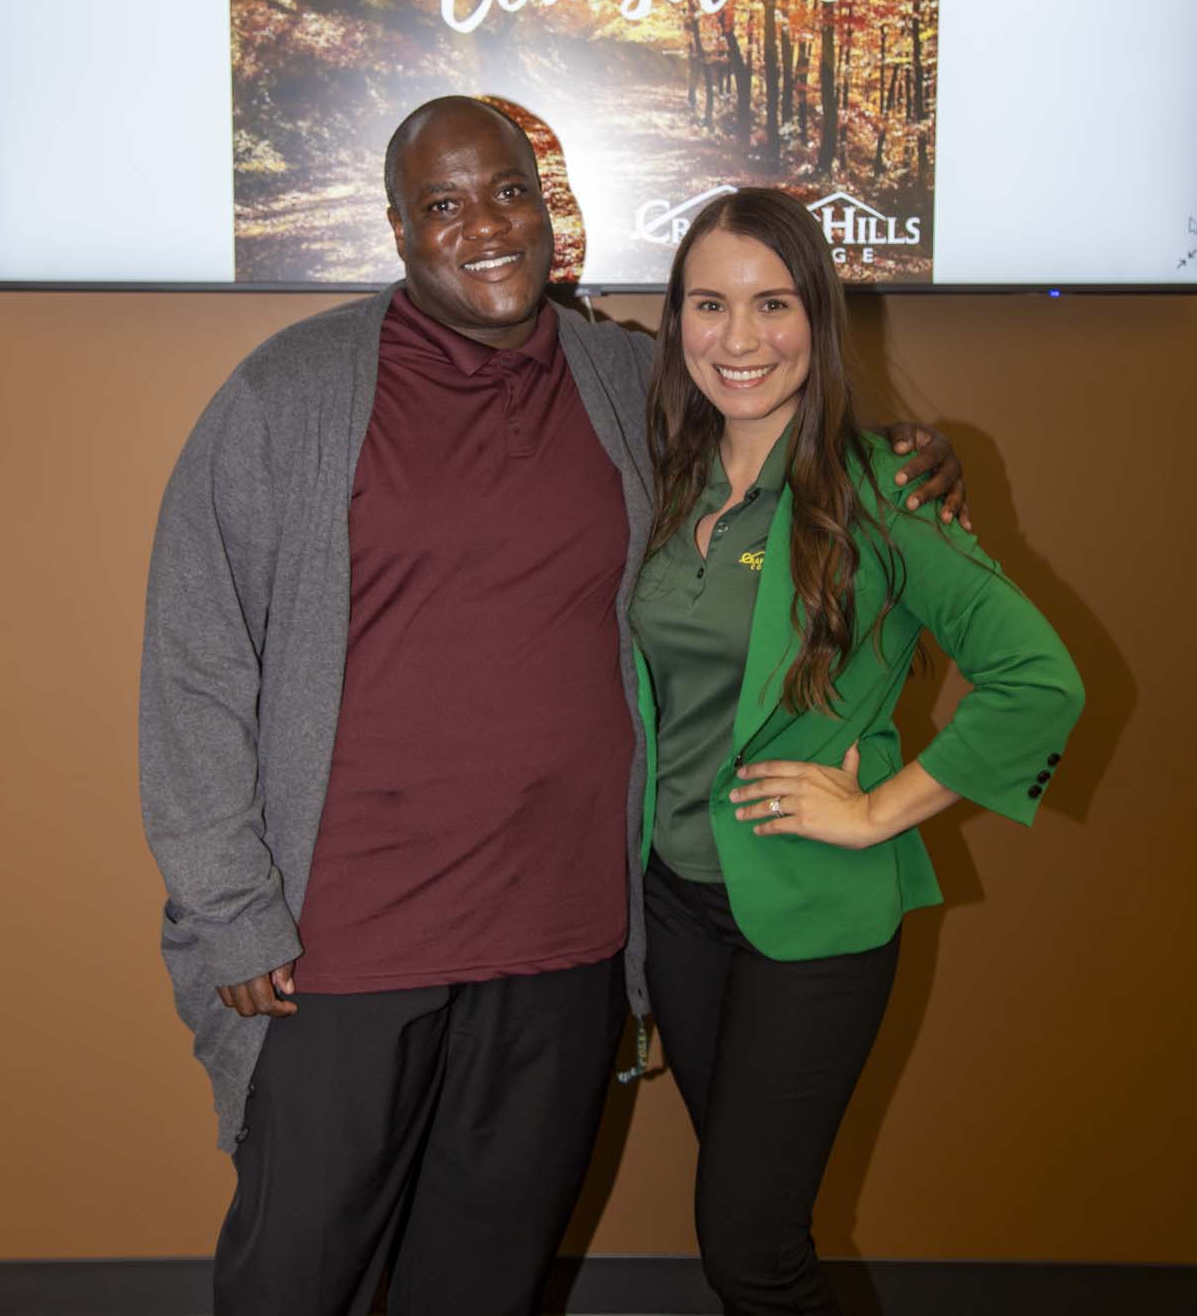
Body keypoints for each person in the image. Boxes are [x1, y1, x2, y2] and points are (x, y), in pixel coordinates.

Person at [139, 99, 966, 1316]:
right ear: (398, 229)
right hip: (341, 945)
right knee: (293, 1281)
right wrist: (227, 905)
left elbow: (777, 426)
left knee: (486, 1281)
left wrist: (908, 453)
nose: (485, 227)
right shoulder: (289, 396)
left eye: (509, 193)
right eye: (443, 204)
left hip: (563, 943)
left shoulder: (629, 381)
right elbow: (196, 659)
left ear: (547, 204)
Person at [631, 187, 1085, 1316]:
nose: (739, 339)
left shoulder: (883, 488)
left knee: (750, 1250)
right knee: (754, 1220)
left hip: (814, 916)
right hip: (677, 907)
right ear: (675, 319)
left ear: (818, 317)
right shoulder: (666, 475)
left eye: (772, 304)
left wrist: (880, 811)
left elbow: (1041, 682)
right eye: (709, 305)